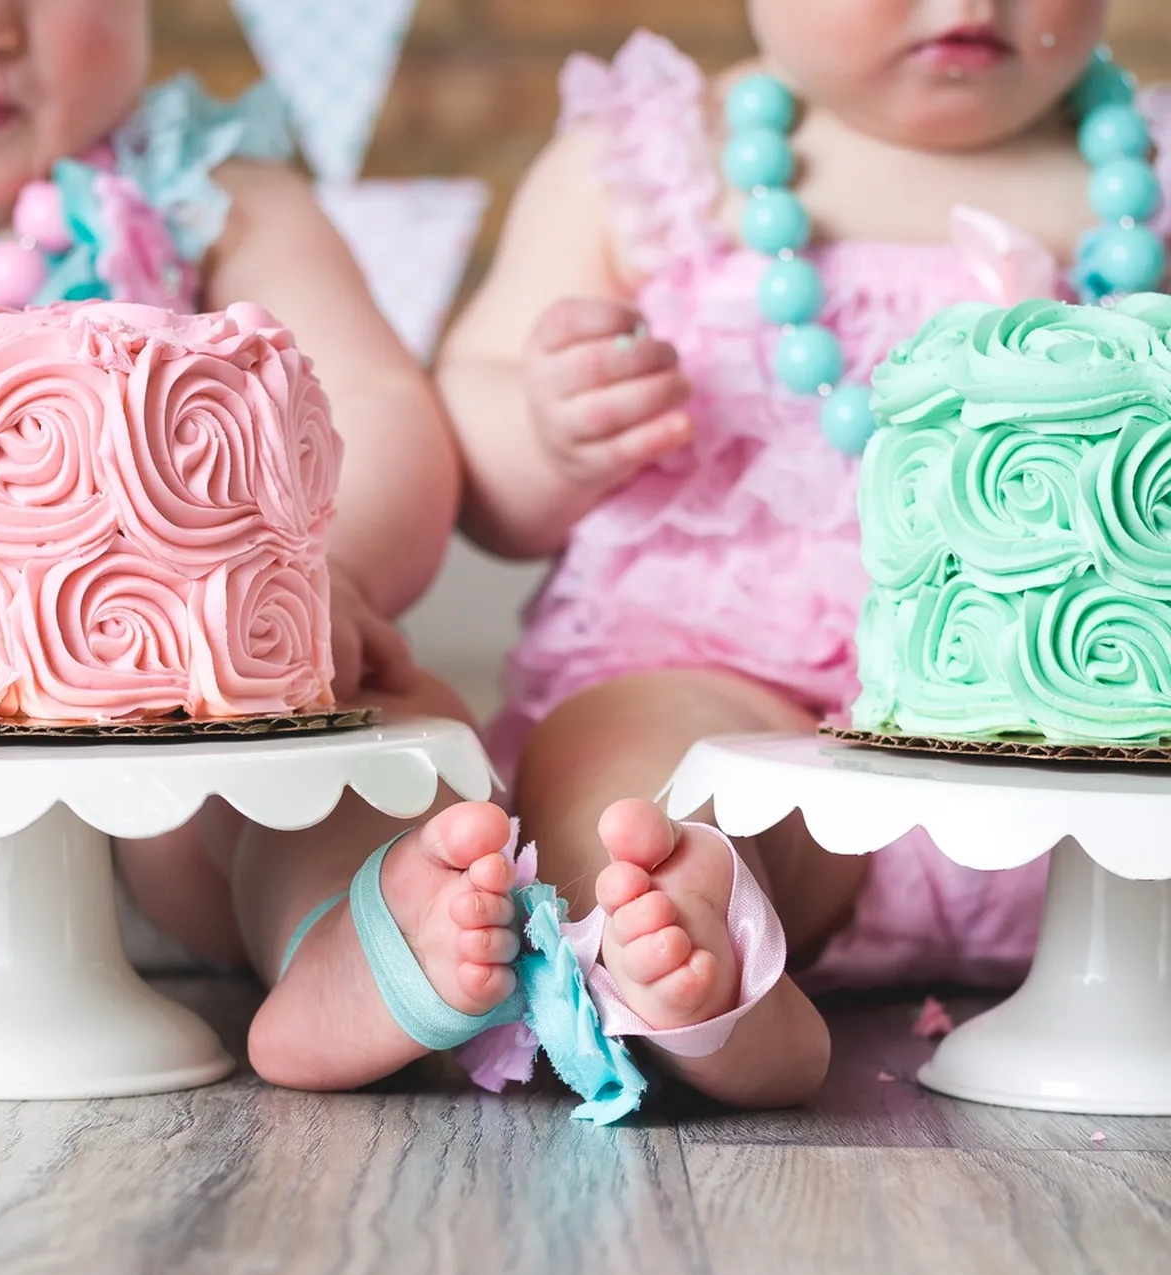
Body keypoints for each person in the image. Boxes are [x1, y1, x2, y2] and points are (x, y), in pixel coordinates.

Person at [438, 1, 1157, 1108]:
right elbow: (479, 471)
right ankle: (704, 967)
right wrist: (544, 429)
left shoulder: (1148, 162)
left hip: (1104, 744)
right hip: (739, 703)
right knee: (622, 767)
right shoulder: (653, 166)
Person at [0, 0, 524, 1090]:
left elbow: (368, 406)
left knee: (356, 771)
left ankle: (341, 939)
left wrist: (333, 577)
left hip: (185, 756)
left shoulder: (211, 195)